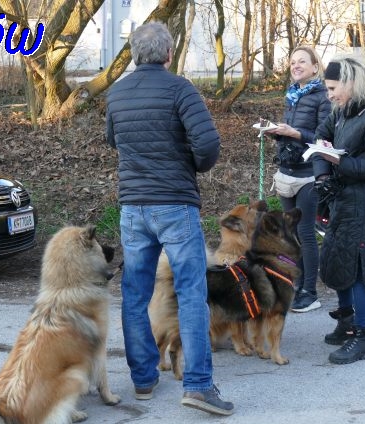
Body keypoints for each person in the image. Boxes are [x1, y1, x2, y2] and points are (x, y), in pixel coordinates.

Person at [105, 22, 234, 416]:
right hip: (175, 204)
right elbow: (208, 144)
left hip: (133, 206)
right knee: (192, 293)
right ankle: (197, 385)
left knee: (135, 294)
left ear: (133, 53)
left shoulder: (116, 92)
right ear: (168, 54)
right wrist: (191, 165)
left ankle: (143, 379)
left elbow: (114, 140)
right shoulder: (180, 89)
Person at [312, 55, 365, 364]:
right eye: (327, 89)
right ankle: (346, 322)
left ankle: (362, 339)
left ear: (351, 83)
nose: (330, 95)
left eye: (333, 88)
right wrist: (323, 174)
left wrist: (340, 162)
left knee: (361, 269)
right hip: (341, 198)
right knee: (338, 258)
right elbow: (320, 138)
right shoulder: (341, 110)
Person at [266, 45, 331, 313]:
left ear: (315, 67)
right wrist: (275, 133)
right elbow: (291, 132)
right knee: (291, 233)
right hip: (287, 172)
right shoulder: (292, 95)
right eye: (292, 62)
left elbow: (324, 136)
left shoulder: (323, 96)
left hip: (309, 174)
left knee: (304, 233)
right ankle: (298, 283)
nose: (296, 66)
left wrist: (295, 134)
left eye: (302, 61)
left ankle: (310, 292)